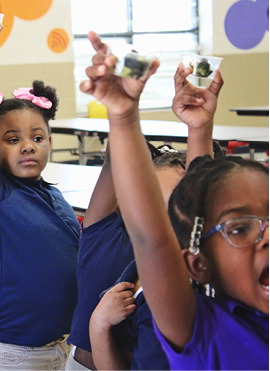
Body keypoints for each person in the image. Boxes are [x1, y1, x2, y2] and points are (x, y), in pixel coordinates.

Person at [81, 30, 268, 370]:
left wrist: (199, 129)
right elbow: (153, 239)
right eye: (240, 229)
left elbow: (198, 204)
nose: (266, 234)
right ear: (198, 265)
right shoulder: (206, 332)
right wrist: (123, 117)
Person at [67, 60, 225, 371]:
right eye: (152, 205)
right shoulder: (127, 269)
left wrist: (199, 129)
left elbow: (197, 194)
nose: (161, 222)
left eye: (175, 210)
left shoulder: (192, 274)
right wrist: (123, 110)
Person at [0, 14, 80, 369]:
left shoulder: (53, 194)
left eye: (37, 137)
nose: (28, 146)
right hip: (16, 350)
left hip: (60, 343)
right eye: (13, 139)